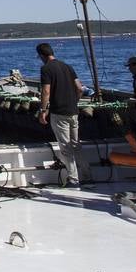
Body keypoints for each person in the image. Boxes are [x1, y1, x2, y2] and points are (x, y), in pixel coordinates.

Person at [36, 42, 88, 187]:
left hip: (59, 112)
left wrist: (43, 111)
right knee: (76, 144)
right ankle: (87, 176)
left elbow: (46, 91)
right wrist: (74, 101)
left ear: (41, 55)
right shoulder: (67, 66)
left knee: (65, 146)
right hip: (73, 111)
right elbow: (79, 88)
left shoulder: (46, 69)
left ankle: (73, 179)